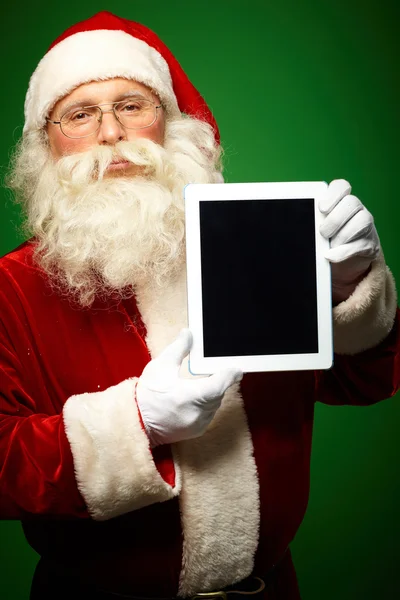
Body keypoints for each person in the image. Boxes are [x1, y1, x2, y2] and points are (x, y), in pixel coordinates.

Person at [0, 10, 398, 600]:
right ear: (48, 144)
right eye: (81, 114)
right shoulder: (12, 285)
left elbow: (365, 381)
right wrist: (136, 421)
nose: (112, 133)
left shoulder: (256, 240)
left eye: (133, 104)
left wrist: (350, 285)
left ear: (169, 122)